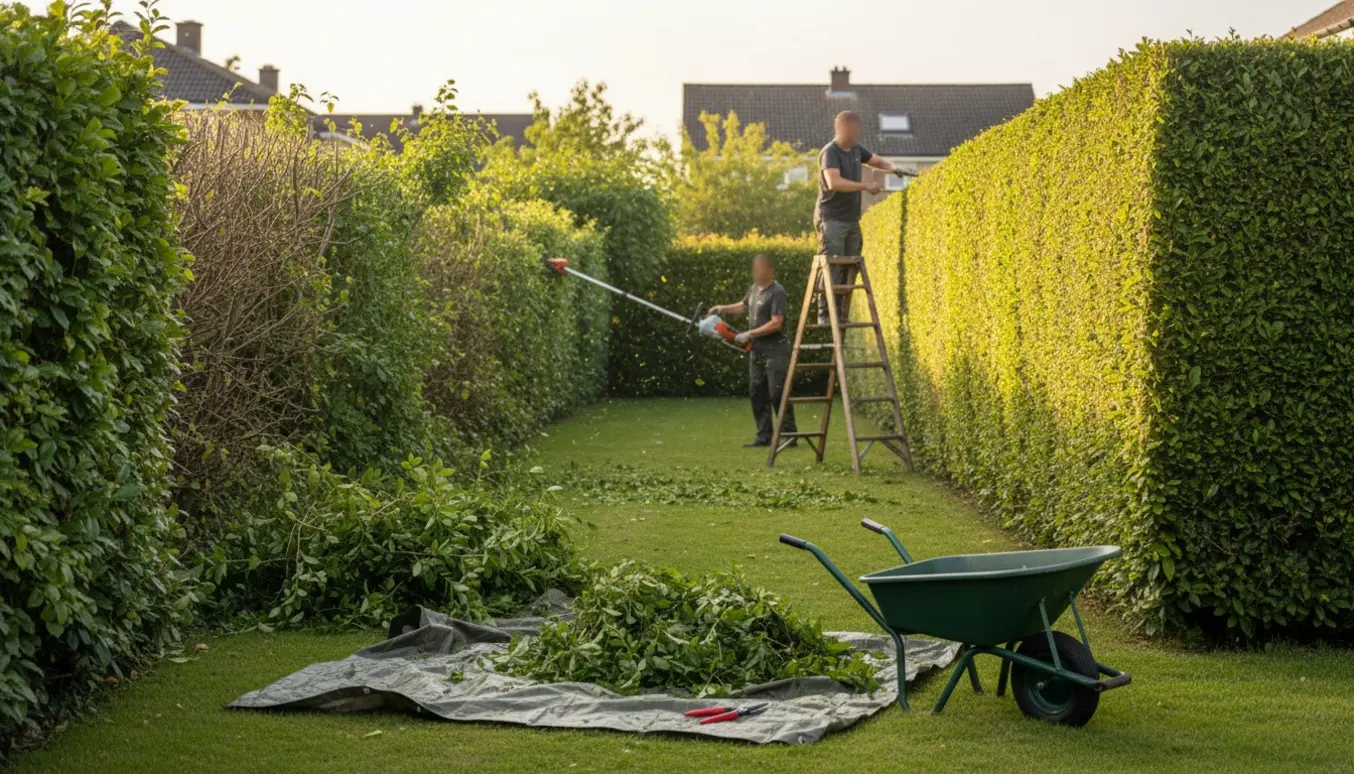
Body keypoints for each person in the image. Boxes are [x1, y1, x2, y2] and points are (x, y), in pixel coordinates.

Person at [815, 110, 907, 324]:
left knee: (851, 267)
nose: (857, 133)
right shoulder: (830, 152)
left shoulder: (856, 149)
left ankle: (841, 313)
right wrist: (866, 185)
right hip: (831, 218)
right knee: (833, 264)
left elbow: (875, 160)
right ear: (841, 128)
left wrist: (893, 168)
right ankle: (825, 314)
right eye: (853, 128)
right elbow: (833, 182)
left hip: (851, 219)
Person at [706, 255, 798, 448]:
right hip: (756, 351)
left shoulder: (777, 292)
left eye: (760, 268)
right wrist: (722, 309)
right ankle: (764, 436)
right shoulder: (753, 290)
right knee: (757, 393)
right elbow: (743, 306)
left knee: (776, 393)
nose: (756, 272)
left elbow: (776, 323)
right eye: (754, 268)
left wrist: (749, 333)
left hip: (776, 352)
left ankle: (789, 435)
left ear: (769, 269)